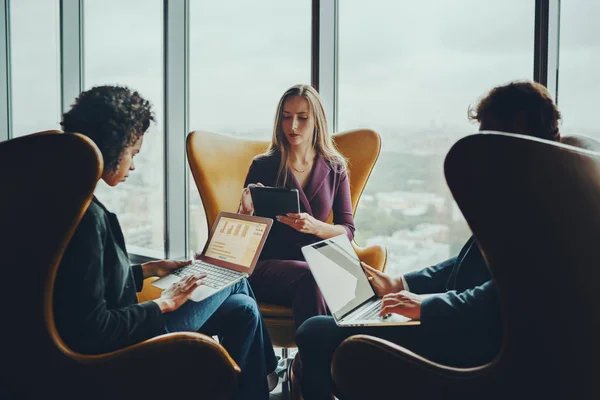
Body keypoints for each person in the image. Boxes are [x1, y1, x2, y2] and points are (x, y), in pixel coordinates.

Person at [294, 80, 563, 399]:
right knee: (326, 330)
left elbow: (505, 298)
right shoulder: (528, 188)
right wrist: (401, 284)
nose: (479, 150)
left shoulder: (544, 204)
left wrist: (425, 306)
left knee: (313, 333)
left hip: (468, 340)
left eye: (486, 134)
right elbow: (470, 264)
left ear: (516, 128)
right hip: (457, 321)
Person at [52, 85, 277, 400]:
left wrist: (148, 270)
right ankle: (269, 375)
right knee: (233, 277)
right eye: (133, 153)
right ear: (113, 147)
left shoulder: (65, 203)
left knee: (244, 309)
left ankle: (256, 388)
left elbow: (80, 289)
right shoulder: (86, 218)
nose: (132, 165)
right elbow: (92, 329)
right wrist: (165, 303)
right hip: (122, 348)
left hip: (124, 330)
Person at [238, 84, 354, 331]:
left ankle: (326, 361)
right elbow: (242, 236)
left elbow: (348, 231)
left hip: (315, 263)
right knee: (315, 277)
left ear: (317, 121)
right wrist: (246, 211)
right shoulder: (264, 165)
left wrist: (315, 227)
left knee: (346, 284)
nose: (292, 126)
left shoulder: (335, 167)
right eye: (286, 117)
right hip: (267, 265)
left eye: (302, 118)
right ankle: (315, 362)